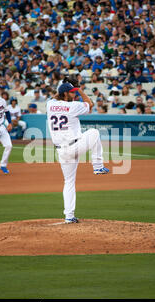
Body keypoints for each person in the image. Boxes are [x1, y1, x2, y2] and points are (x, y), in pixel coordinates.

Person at [46, 82, 109, 224]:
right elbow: (90, 104)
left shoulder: (50, 104)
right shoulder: (72, 106)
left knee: (68, 182)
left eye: (75, 92)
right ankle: (98, 166)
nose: (75, 94)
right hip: (73, 146)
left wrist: (65, 90)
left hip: (62, 151)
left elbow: (56, 98)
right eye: (72, 92)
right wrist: (80, 90)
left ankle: (69, 216)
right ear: (65, 94)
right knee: (94, 132)